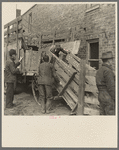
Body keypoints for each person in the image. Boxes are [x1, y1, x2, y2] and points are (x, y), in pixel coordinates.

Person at [96, 51, 115, 115]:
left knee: (102, 114)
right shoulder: (108, 71)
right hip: (108, 95)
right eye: (112, 59)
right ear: (109, 60)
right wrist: (115, 98)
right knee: (110, 115)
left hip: (101, 95)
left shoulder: (99, 70)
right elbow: (111, 87)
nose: (112, 61)